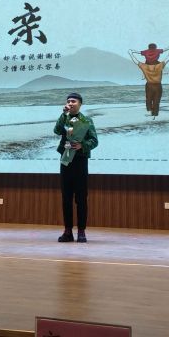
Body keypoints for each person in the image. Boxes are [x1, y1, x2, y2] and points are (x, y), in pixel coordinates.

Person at [54, 92, 98, 243]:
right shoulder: (64, 117)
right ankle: (67, 231)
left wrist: (82, 145)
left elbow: (94, 141)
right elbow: (57, 131)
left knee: (81, 198)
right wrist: (63, 114)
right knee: (66, 198)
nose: (70, 103)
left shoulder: (87, 121)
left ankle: (81, 231)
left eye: (73, 101)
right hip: (65, 160)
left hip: (80, 161)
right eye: (68, 101)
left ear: (80, 104)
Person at [128, 43, 169, 118]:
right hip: (158, 85)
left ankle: (150, 110)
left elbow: (135, 61)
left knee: (148, 99)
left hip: (149, 85)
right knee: (157, 100)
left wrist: (131, 53)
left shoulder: (144, 66)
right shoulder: (159, 66)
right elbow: (168, 58)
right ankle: (155, 113)